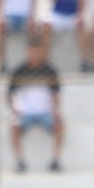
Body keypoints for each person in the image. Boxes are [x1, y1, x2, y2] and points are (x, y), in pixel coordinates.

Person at [8, 37, 64, 172]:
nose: (34, 56)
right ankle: (20, 160)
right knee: (13, 126)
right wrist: (15, 109)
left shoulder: (49, 71)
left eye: (37, 52)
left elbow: (55, 95)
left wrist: (56, 112)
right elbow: (10, 94)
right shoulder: (19, 71)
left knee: (60, 125)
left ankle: (55, 160)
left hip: (45, 111)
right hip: (25, 112)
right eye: (32, 52)